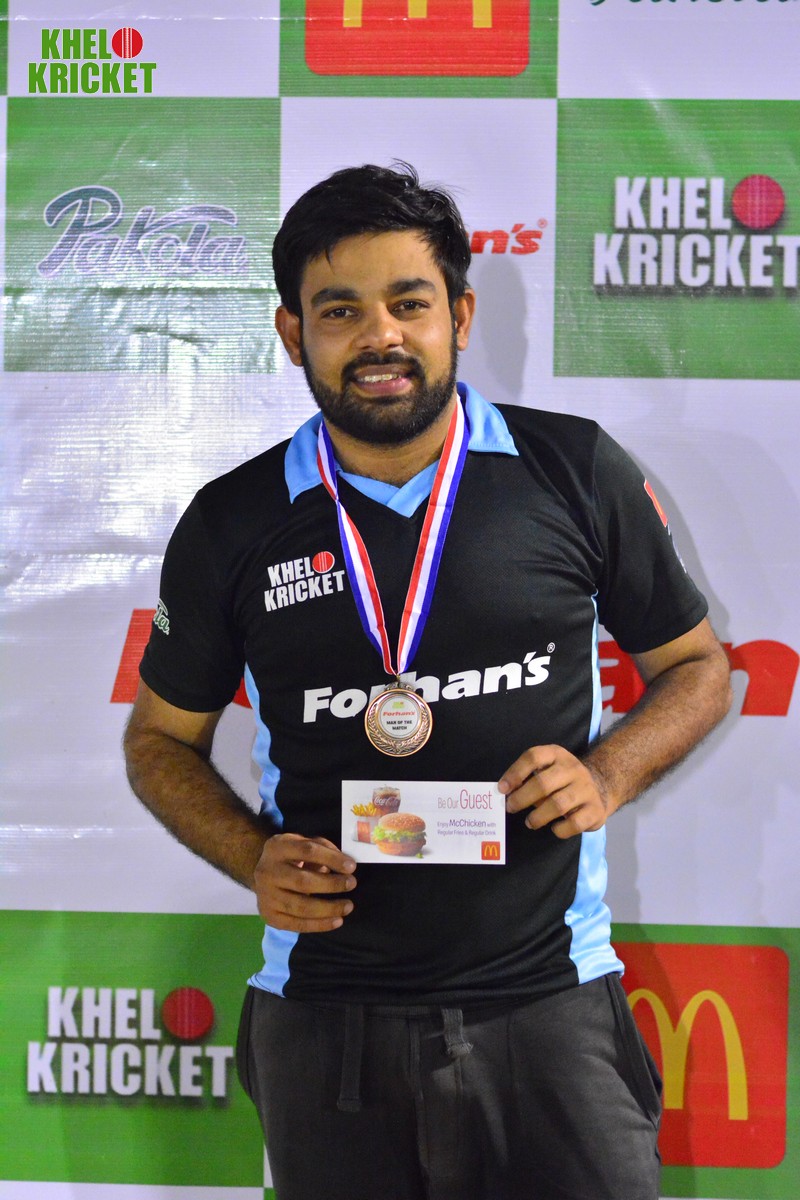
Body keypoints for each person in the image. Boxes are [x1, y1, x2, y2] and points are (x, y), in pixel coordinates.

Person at [124, 163, 732, 1200]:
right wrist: (252, 857)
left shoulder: (571, 471)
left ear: (459, 315)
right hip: (326, 1018)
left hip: (549, 1005)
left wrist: (609, 773)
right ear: (291, 334)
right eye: (339, 311)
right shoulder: (233, 521)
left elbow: (696, 668)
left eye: (408, 303)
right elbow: (157, 741)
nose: (379, 337)